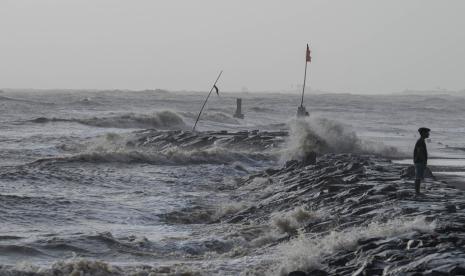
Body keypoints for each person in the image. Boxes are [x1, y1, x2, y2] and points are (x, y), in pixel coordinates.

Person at [413, 127, 430, 195]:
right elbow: (420, 152)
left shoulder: (421, 140)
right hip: (419, 161)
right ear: (423, 133)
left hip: (419, 161)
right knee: (418, 177)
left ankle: (418, 191)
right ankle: (417, 192)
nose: (428, 134)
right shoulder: (420, 141)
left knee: (419, 177)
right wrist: (424, 161)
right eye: (427, 132)